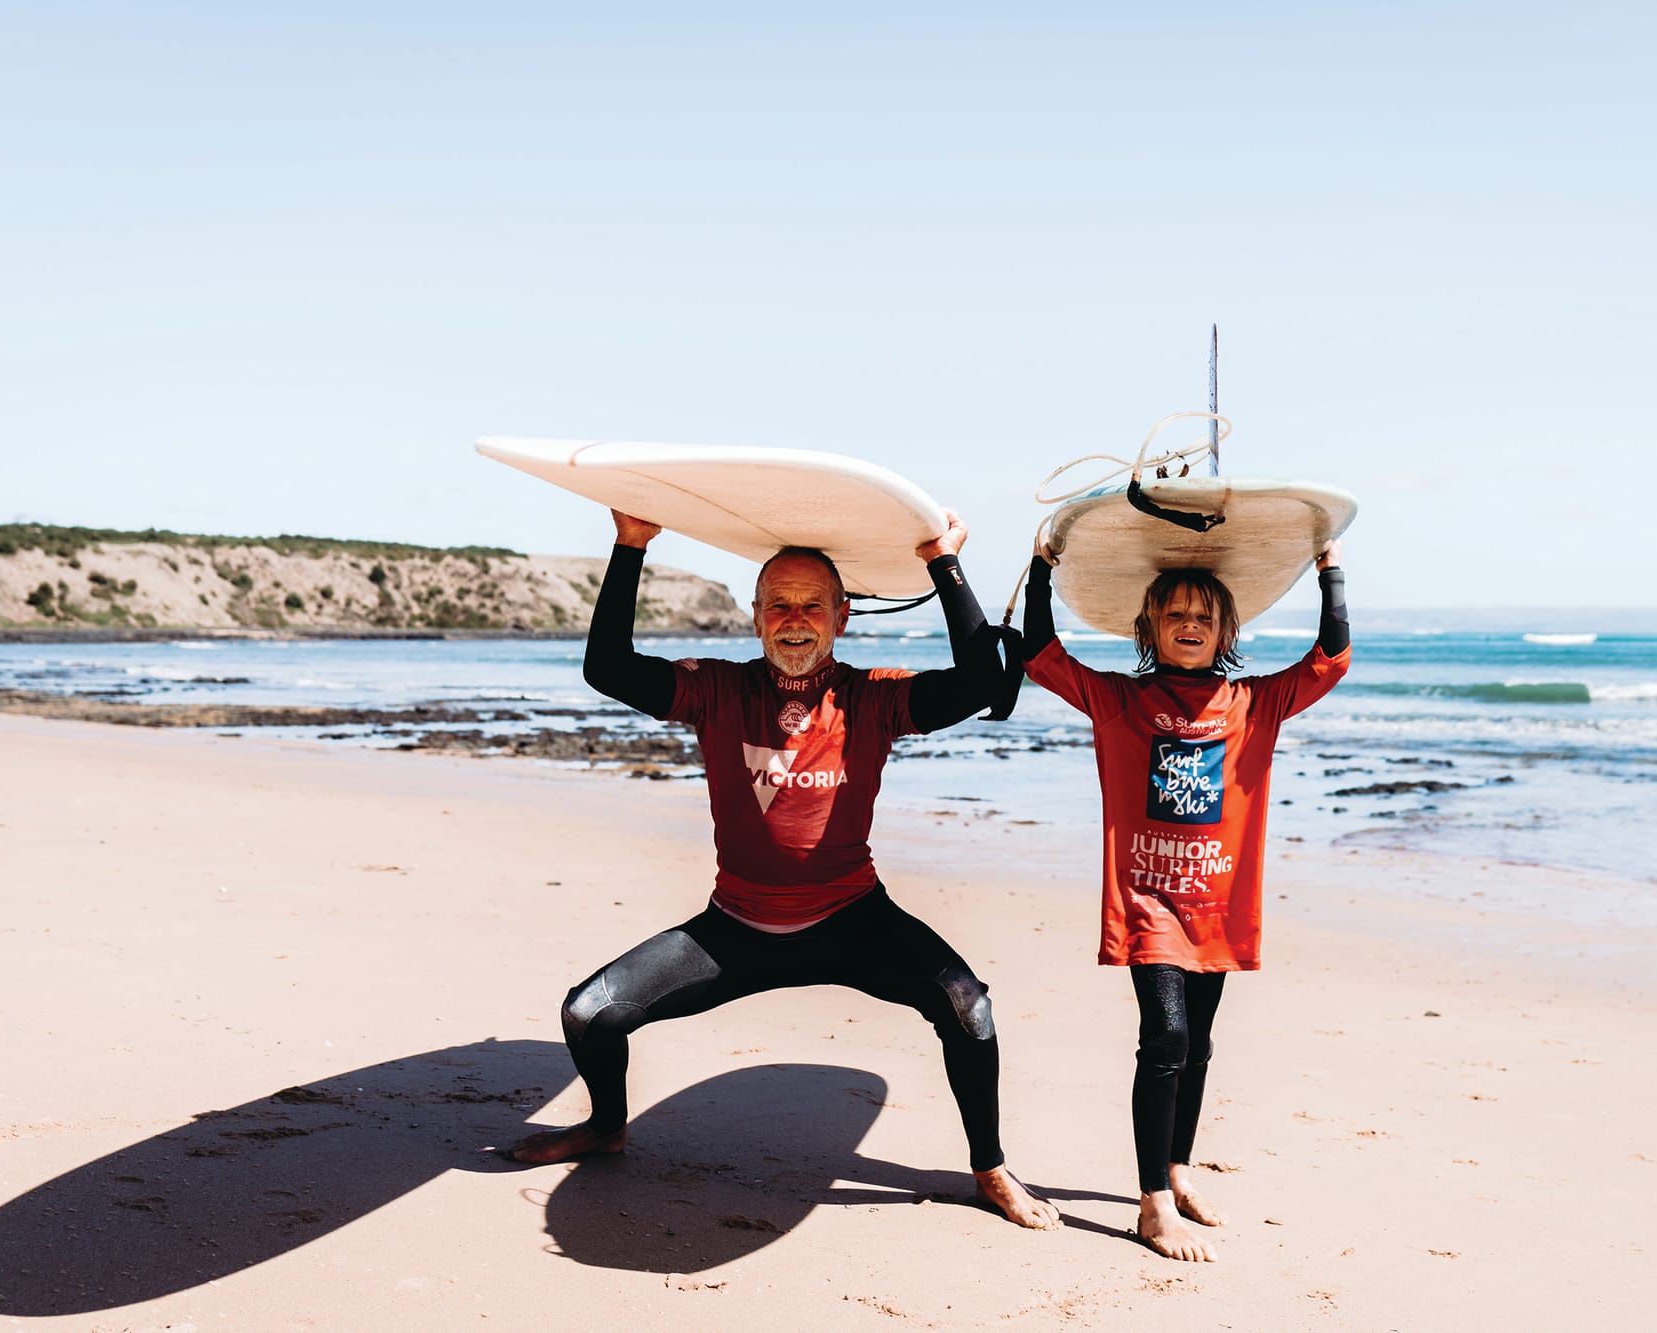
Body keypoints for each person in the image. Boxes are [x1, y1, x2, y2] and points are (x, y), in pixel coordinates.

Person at [508, 508, 1060, 1231]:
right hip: (734, 929)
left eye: (811, 605)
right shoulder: (716, 689)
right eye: (779, 604)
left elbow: (982, 681)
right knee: (587, 1014)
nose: (794, 620)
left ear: (843, 617)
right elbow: (606, 668)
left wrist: (941, 560)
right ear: (756, 615)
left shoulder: (872, 696)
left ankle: (989, 1167)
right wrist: (632, 543)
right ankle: (607, 1125)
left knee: (969, 1010)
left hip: (853, 920)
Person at [1019, 541, 1350, 1261]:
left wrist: (1330, 569)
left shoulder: (1254, 703)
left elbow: (1330, 659)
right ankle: (1152, 1201)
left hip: (1218, 904)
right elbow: (1042, 655)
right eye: (1175, 613)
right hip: (1148, 902)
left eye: (1204, 615)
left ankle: (1178, 1165)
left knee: (1197, 1046)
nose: (1190, 623)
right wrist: (1042, 566)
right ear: (1151, 628)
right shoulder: (1121, 701)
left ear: (1226, 633)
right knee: (1165, 1038)